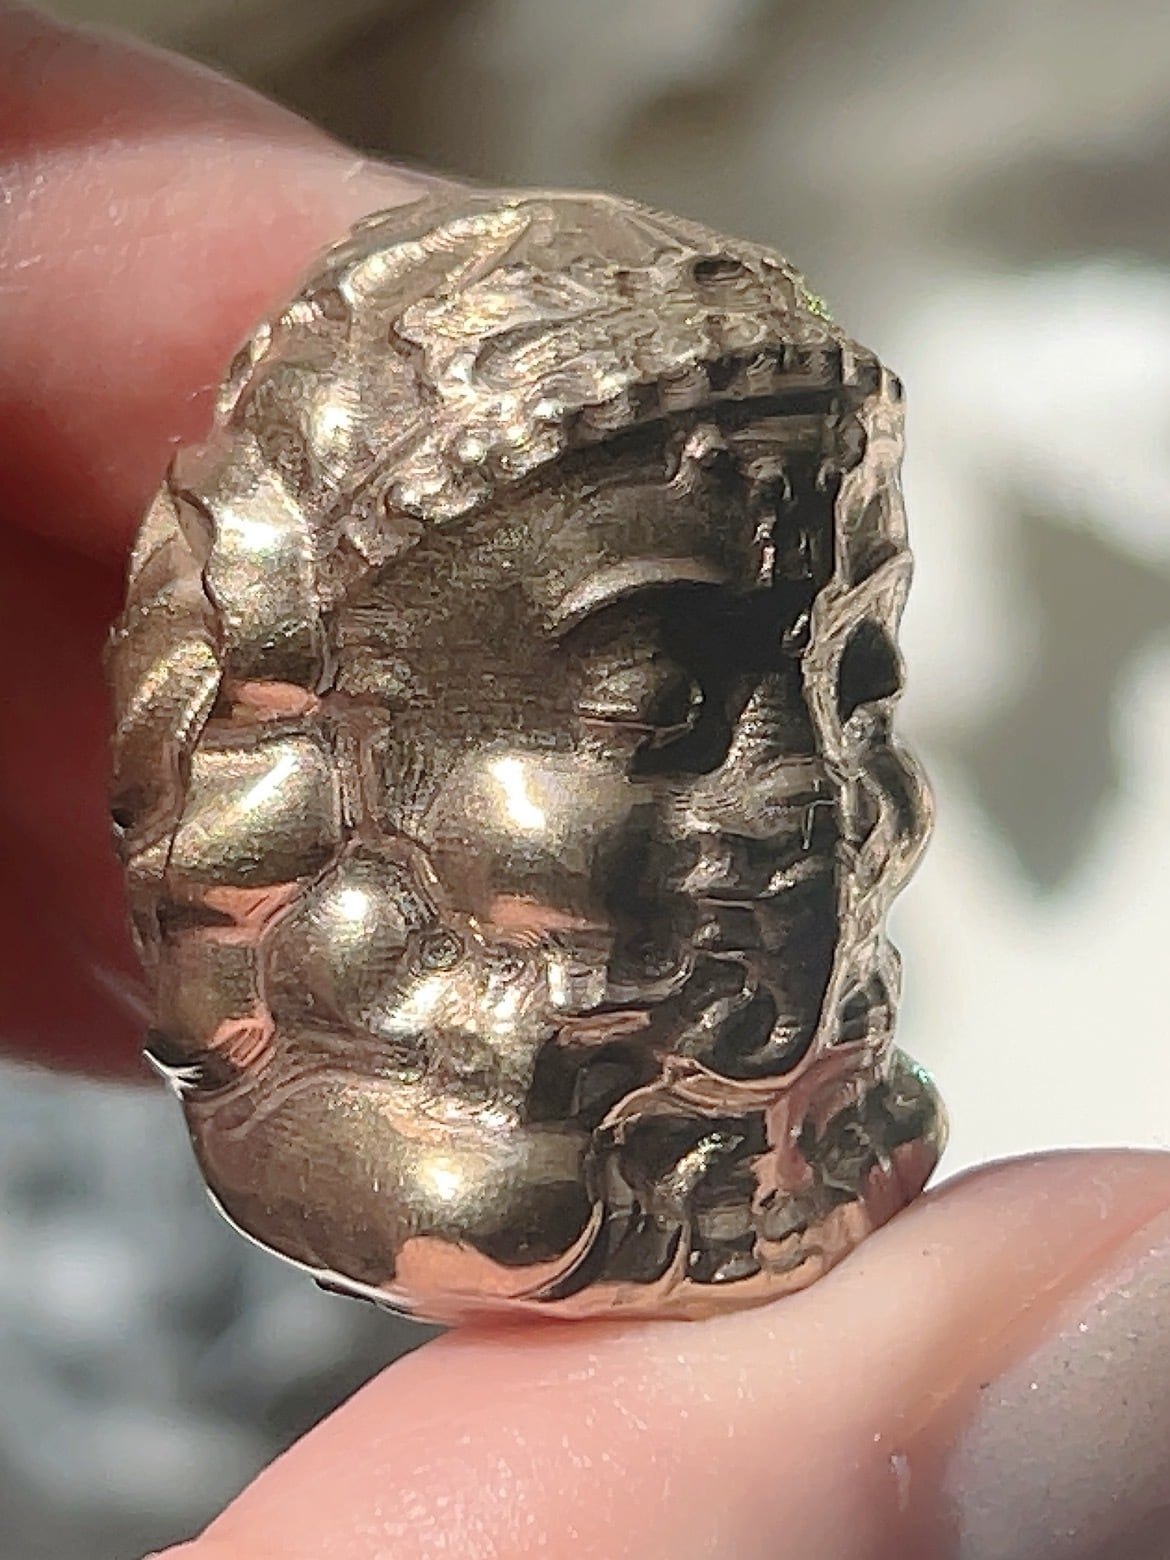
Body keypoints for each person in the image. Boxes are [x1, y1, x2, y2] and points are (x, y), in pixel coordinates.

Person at [2, 5, 1168, 1555]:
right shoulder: (430, 1174)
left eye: (854, 685)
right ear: (337, 748)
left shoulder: (836, 1125)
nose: (808, 797)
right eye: (661, 706)